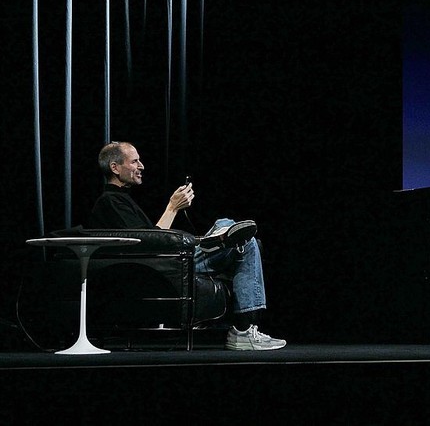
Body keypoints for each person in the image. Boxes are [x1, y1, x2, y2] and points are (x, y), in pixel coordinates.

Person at [87, 141, 286, 351]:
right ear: (115, 168)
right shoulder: (110, 202)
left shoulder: (123, 200)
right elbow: (149, 244)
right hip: (164, 266)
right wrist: (172, 207)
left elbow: (150, 237)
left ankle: (216, 243)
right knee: (235, 233)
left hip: (171, 261)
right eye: (135, 161)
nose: (142, 166)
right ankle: (243, 330)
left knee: (240, 236)